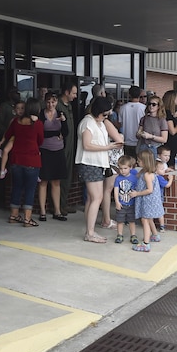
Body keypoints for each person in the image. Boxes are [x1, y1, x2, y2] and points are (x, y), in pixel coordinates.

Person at [75, 96, 123, 243]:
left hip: (97, 163)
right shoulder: (88, 122)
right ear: (98, 111)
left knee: (92, 198)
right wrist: (107, 147)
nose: (106, 116)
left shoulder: (99, 123)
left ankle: (90, 229)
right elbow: (87, 145)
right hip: (89, 163)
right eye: (104, 114)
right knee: (97, 197)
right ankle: (90, 232)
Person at [1, 97, 44, 227]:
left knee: (17, 188)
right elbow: (40, 141)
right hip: (32, 160)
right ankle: (27, 218)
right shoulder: (38, 124)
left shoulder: (16, 121)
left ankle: (14, 215)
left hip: (16, 160)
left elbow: (8, 134)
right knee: (30, 190)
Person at [37, 91, 69, 221]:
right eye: (48, 102)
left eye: (53, 102)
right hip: (44, 150)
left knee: (56, 181)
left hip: (58, 150)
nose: (51, 104)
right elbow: (38, 132)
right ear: (45, 102)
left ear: (57, 102)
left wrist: (64, 122)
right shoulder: (41, 114)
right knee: (43, 181)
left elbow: (66, 132)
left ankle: (57, 211)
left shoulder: (61, 114)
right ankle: (42, 212)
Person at [130, 150, 164, 252]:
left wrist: (137, 193)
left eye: (139, 160)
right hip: (148, 200)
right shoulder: (144, 172)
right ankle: (155, 234)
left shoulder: (147, 174)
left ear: (144, 162)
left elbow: (150, 190)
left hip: (148, 200)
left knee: (145, 220)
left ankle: (146, 243)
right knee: (149, 219)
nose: (137, 162)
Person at [56, 82, 79, 215]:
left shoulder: (68, 105)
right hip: (61, 147)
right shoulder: (57, 105)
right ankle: (58, 205)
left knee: (68, 176)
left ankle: (63, 203)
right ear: (66, 92)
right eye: (74, 93)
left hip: (70, 146)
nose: (75, 96)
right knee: (60, 176)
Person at [112, 155, 138, 244]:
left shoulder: (134, 178)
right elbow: (116, 190)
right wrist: (117, 202)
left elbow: (136, 190)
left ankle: (133, 235)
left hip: (132, 203)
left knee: (132, 221)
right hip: (121, 203)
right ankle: (119, 235)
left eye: (125, 168)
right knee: (120, 221)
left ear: (130, 167)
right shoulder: (118, 179)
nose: (123, 171)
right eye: (121, 168)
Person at [119, 86, 146, 157]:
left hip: (126, 141)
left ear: (129, 94)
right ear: (139, 94)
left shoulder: (122, 108)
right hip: (140, 141)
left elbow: (120, 124)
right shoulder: (144, 108)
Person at [162, 90, 177, 166]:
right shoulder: (167, 113)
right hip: (171, 142)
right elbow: (172, 131)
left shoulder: (175, 111)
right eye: (176, 98)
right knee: (172, 164)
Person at [154, 146, 174, 232]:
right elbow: (167, 185)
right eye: (165, 155)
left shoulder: (156, 168)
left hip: (152, 196)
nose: (167, 157)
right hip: (158, 197)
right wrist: (171, 179)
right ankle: (162, 226)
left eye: (168, 155)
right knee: (160, 212)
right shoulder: (159, 177)